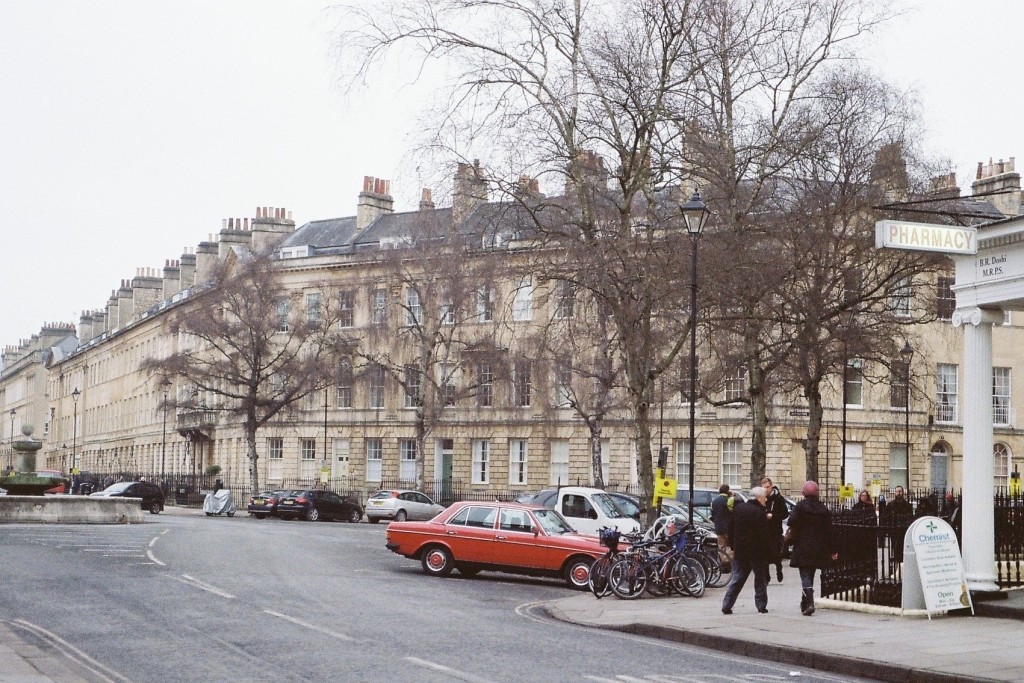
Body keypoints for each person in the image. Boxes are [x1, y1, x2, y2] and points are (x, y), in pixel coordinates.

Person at [787, 480, 837, 616]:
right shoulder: (823, 509)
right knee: (811, 573)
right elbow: (829, 530)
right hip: (819, 547)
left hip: (803, 545)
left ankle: (809, 601)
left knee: (804, 574)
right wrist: (833, 550)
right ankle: (805, 603)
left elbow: (791, 521)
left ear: (804, 493)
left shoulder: (800, 507)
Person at [721, 486, 772, 615]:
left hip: (741, 550)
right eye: (764, 497)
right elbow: (764, 534)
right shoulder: (759, 512)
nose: (766, 500)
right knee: (760, 579)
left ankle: (727, 604)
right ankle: (761, 606)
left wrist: (733, 545)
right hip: (756, 551)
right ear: (759, 498)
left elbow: (730, 528)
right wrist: (768, 551)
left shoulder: (738, 509)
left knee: (738, 578)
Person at [761, 477, 789, 583]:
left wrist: (773, 516)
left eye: (768, 487)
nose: (766, 490)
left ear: (771, 486)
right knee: (764, 555)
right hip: (764, 531)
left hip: (775, 531)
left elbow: (785, 514)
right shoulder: (761, 498)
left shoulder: (778, 499)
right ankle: (766, 577)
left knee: (775, 554)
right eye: (764, 488)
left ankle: (779, 568)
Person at [710, 484, 733, 566]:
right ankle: (727, 562)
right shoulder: (729, 500)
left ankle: (722, 562)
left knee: (721, 546)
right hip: (728, 527)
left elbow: (712, 515)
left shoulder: (714, 501)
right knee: (730, 546)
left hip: (718, 527)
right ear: (727, 490)